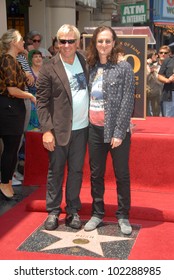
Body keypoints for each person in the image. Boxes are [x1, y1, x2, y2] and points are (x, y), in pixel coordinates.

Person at [36, 24, 89, 231]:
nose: (66, 45)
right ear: (57, 43)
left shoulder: (85, 60)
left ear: (77, 42)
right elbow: (41, 101)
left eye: (70, 41)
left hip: (83, 128)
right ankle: (53, 210)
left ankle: (73, 210)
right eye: (62, 41)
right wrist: (47, 130)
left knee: (76, 171)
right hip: (58, 131)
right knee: (56, 171)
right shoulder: (49, 66)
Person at [84, 26, 135, 235]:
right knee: (96, 174)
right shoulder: (91, 66)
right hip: (94, 129)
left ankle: (123, 215)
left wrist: (118, 132)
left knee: (121, 174)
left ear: (114, 43)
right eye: (100, 41)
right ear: (94, 43)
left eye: (107, 41)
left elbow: (127, 100)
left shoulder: (124, 68)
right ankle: (97, 213)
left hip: (116, 132)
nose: (103, 44)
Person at [0, 29, 36, 199]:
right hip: (9, 108)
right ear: (13, 42)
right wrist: (30, 95)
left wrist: (27, 76)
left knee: (13, 147)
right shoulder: (7, 59)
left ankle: (6, 181)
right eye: (21, 39)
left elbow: (21, 82)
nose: (24, 41)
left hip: (14, 107)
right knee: (11, 148)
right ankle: (5, 183)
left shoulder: (15, 60)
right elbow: (12, 89)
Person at [27, 49, 43, 130]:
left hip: (44, 100)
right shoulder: (28, 72)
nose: (38, 58)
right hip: (31, 101)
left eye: (40, 56)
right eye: (35, 57)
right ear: (30, 59)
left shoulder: (45, 70)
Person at [158, 45, 174, 117]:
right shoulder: (168, 60)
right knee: (168, 118)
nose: (163, 54)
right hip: (169, 93)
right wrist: (168, 80)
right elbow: (160, 76)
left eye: (165, 53)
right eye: (161, 52)